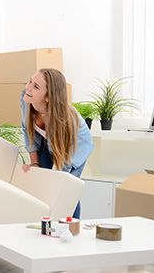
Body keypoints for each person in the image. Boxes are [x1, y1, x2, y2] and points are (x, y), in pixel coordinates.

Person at [20, 68, 93, 219]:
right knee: (42, 182)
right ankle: (44, 226)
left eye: (36, 87)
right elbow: (27, 128)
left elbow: (63, 166)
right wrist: (34, 163)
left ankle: (71, 228)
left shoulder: (65, 119)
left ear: (48, 97)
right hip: (47, 142)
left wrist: (57, 179)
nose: (28, 87)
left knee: (65, 189)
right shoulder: (26, 97)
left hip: (75, 148)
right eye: (30, 81)